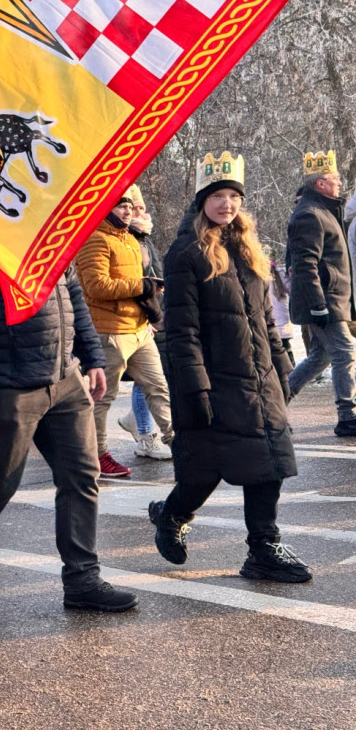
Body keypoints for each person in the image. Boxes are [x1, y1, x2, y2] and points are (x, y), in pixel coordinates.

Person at [0, 224, 138, 613]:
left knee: (81, 476)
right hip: (7, 383)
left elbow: (72, 294)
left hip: (64, 377)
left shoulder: (49, 217)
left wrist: (92, 357)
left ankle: (82, 579)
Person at [149, 152, 311, 583]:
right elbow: (181, 331)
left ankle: (263, 547)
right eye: (218, 196)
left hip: (261, 380)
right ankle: (172, 514)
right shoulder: (185, 254)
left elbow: (264, 321)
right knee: (203, 470)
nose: (227, 204)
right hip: (217, 381)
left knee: (271, 463)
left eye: (233, 196)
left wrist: (283, 371)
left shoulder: (248, 250)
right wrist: (196, 389)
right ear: (202, 200)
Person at [75, 188, 172, 477]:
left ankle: (178, 442)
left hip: (140, 329)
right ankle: (97, 455)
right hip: (110, 331)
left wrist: (149, 286)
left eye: (130, 206)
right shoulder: (94, 239)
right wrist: (143, 286)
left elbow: (132, 279)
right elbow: (96, 286)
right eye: (120, 206)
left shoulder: (130, 239)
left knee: (159, 388)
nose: (128, 212)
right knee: (103, 397)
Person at [286, 150, 356, 436]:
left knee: (321, 357)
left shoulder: (324, 211)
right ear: (320, 184)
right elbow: (304, 264)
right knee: (344, 352)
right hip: (323, 301)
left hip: (332, 299)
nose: (339, 183)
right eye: (334, 178)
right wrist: (318, 305)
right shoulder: (309, 215)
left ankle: (273, 403)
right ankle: (348, 416)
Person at [116, 186, 173, 461]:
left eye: (140, 207)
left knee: (155, 382)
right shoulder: (127, 239)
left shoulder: (144, 237)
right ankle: (146, 436)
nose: (139, 212)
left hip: (152, 317)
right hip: (134, 322)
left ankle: (137, 421)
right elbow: (137, 283)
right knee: (142, 383)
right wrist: (150, 316)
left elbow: (156, 278)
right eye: (133, 207)